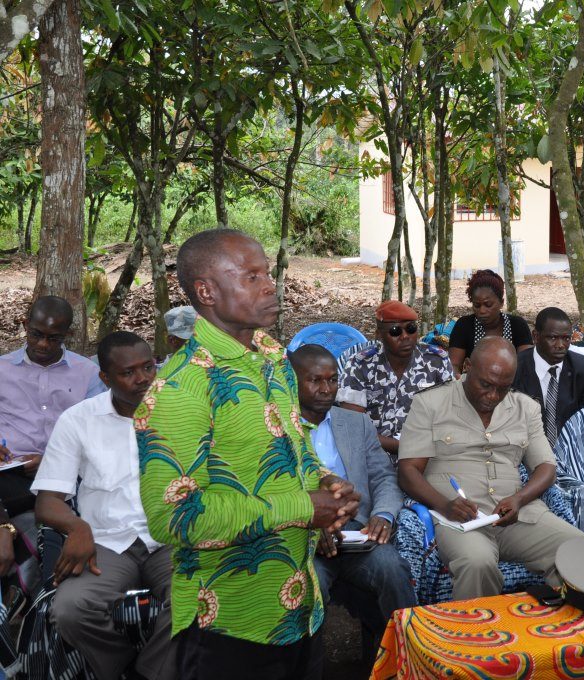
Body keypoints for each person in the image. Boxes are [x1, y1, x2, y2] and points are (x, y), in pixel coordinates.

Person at [136, 228, 360, 680]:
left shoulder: (273, 358)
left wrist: (323, 483)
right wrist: (301, 507)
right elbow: (174, 517)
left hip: (302, 608)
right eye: (252, 276)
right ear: (207, 291)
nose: (270, 285)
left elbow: (291, 449)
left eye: (268, 273)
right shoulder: (181, 389)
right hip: (229, 626)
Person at [32, 331, 174, 680]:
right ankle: (118, 666)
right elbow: (48, 501)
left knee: (204, 593)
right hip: (108, 542)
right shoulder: (78, 420)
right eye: (128, 372)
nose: (142, 379)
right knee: (70, 609)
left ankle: (149, 672)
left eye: (148, 367)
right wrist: (77, 527)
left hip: (173, 536)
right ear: (105, 378)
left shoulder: (181, 411)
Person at [397, 337, 584, 600]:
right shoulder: (430, 404)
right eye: (485, 384)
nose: (492, 396)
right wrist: (445, 505)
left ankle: (564, 636)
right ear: (468, 367)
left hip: (516, 515)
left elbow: (546, 467)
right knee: (477, 563)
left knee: (578, 550)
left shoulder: (526, 408)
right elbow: (407, 472)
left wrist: (520, 499)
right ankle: (478, 638)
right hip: (459, 519)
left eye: (503, 388)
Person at [291, 344, 416, 639]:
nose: (326, 388)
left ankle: (406, 655)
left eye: (332, 379)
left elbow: (384, 477)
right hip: (304, 540)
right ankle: (312, 667)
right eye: (315, 380)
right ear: (292, 380)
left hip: (358, 536)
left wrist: (383, 515)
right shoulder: (280, 428)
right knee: (312, 585)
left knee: (393, 569)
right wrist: (309, 528)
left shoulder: (355, 422)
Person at [0, 296, 104, 520]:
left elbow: (99, 433)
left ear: (67, 335)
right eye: (36, 334)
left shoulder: (87, 373)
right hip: (9, 471)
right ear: (26, 326)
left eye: (53, 338)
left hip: (68, 472)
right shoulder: (2, 369)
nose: (43, 344)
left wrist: (50, 460)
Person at [338, 300, 454, 461]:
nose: (405, 336)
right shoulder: (359, 364)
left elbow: (450, 415)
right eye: (395, 331)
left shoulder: (436, 361)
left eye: (411, 329)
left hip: (428, 456)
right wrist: (407, 448)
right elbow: (352, 427)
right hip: (374, 455)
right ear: (379, 335)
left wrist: (420, 449)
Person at [512, 307, 584, 447]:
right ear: (535, 337)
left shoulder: (581, 366)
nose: (560, 345)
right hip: (523, 447)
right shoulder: (515, 367)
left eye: (566, 338)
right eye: (553, 338)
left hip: (572, 448)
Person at [446, 269, 532, 374]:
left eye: (488, 305)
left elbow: (526, 365)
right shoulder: (464, 325)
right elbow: (454, 364)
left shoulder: (517, 325)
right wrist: (457, 378)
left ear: (501, 303)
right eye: (477, 305)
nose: (482, 311)